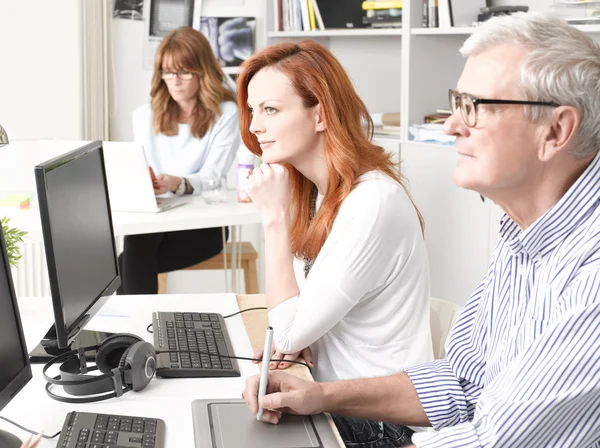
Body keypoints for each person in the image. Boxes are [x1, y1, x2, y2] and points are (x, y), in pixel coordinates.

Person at [242, 12, 600, 448]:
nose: (450, 125)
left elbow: (492, 441)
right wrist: (318, 395)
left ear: (556, 130)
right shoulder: (520, 240)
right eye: (457, 103)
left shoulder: (590, 273)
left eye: (476, 107)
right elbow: (461, 384)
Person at [237, 40, 433, 446]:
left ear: (321, 114)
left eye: (270, 109)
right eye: (253, 110)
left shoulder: (372, 202)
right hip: (329, 396)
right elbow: (296, 321)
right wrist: (304, 336)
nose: (255, 126)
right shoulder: (317, 193)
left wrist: (274, 220)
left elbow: (287, 331)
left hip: (381, 426)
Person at [117, 27, 239, 295]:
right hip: (157, 221)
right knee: (132, 252)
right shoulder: (144, 116)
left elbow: (213, 177)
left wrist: (179, 182)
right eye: (168, 72)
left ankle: (128, 335)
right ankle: (134, 334)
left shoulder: (225, 114)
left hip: (203, 227)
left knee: (125, 263)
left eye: (184, 71)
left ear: (202, 71)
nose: (175, 80)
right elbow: (140, 171)